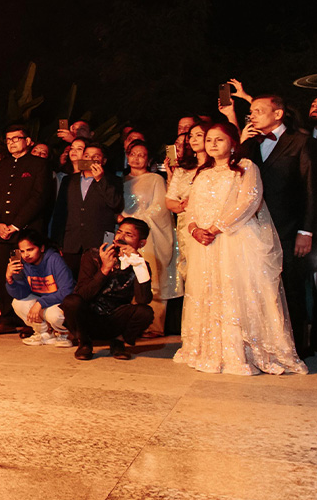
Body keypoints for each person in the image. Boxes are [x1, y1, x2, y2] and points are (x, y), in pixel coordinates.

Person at [173, 122, 307, 375]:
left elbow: (250, 201)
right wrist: (194, 229)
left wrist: (215, 228)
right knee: (208, 292)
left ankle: (241, 351)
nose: (212, 144)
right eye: (209, 139)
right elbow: (191, 208)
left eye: (219, 139)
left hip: (235, 240)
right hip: (205, 244)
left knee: (236, 293)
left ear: (233, 143)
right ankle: (209, 349)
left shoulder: (246, 168)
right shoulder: (202, 173)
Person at [237, 95, 316, 357]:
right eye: (251, 112)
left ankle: (298, 346)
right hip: (255, 229)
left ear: (278, 114)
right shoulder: (250, 144)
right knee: (261, 287)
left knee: (291, 286)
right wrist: (242, 143)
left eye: (259, 111)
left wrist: (306, 230)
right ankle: (268, 343)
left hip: (290, 228)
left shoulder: (302, 142)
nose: (253, 116)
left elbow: (311, 189)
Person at [60, 219, 156, 361]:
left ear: (141, 243)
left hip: (116, 319)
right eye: (119, 232)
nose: (120, 238)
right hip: (89, 316)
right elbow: (82, 295)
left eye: (128, 234)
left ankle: (118, 342)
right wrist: (104, 269)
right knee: (71, 301)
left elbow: (143, 300)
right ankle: (84, 343)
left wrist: (138, 265)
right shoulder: (93, 256)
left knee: (145, 312)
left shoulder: (140, 264)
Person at [0, 126, 51, 335]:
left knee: (26, 273)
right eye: (8, 139)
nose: (13, 142)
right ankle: (7, 318)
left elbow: (39, 197)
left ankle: (28, 321)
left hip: (25, 232)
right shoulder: (2, 165)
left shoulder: (39, 164)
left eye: (17, 138)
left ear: (28, 141)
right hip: (2, 233)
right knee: (3, 275)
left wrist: (15, 225)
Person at [121, 139, 179, 335]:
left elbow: (160, 208)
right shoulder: (120, 180)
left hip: (148, 236)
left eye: (142, 155)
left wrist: (133, 221)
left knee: (150, 277)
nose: (136, 158)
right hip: (124, 237)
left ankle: (152, 326)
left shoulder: (155, 180)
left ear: (149, 159)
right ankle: (128, 324)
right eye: (133, 154)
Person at [51, 143, 122, 277]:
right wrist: (57, 242)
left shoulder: (113, 180)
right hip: (71, 242)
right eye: (87, 155)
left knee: (95, 282)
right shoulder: (69, 180)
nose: (90, 159)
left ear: (104, 161)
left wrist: (100, 179)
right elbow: (60, 212)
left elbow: (116, 204)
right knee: (70, 281)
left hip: (98, 242)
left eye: (95, 156)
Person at [165, 122, 207, 315]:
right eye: (192, 136)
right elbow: (170, 202)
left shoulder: (217, 167)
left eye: (200, 135)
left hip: (209, 228)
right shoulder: (182, 170)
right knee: (191, 275)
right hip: (185, 228)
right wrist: (184, 206)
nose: (194, 140)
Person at [6, 229, 75, 346]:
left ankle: (65, 334)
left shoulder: (54, 259)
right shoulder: (23, 263)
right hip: (43, 302)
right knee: (18, 303)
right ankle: (44, 333)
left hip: (58, 302)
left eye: (30, 249)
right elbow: (21, 294)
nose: (26, 255)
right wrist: (10, 279)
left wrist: (40, 303)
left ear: (42, 248)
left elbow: (67, 291)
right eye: (22, 251)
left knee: (54, 315)